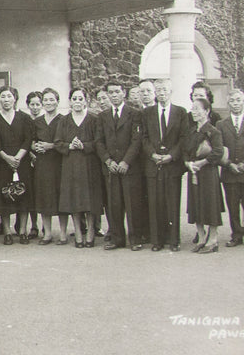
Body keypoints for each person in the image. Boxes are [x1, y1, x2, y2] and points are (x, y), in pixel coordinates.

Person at [97, 81, 145, 251]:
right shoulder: (103, 116)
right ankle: (117, 239)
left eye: (117, 92)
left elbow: (136, 140)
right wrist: (108, 161)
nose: (114, 95)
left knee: (132, 204)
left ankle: (135, 238)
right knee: (114, 204)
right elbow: (99, 141)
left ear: (123, 93)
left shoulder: (134, 114)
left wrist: (126, 161)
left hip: (129, 168)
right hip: (111, 168)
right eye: (111, 92)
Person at [143, 80, 189, 253]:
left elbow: (183, 138)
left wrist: (171, 156)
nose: (161, 93)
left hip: (172, 165)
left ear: (171, 91)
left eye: (164, 90)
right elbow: (144, 138)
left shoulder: (180, 112)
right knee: (155, 203)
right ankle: (157, 240)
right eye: (158, 90)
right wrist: (152, 154)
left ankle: (174, 240)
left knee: (172, 202)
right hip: (153, 164)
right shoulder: (148, 113)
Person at [55, 89, 102, 247]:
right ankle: (78, 233)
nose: (77, 101)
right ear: (69, 101)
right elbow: (57, 142)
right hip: (71, 164)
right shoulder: (64, 120)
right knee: (74, 199)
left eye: (80, 98)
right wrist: (70, 145)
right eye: (74, 98)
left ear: (86, 100)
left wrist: (84, 145)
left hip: (89, 164)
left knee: (89, 199)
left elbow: (99, 142)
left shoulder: (93, 119)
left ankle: (90, 232)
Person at [218, 89, 244, 247]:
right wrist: (229, 164)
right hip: (230, 173)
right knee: (233, 205)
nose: (235, 104)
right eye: (232, 101)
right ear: (228, 103)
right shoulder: (221, 124)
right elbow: (219, 148)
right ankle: (236, 234)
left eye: (238, 100)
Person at [182, 99, 224, 254]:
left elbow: (218, 152)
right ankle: (201, 237)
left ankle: (213, 239)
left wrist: (202, 163)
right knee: (196, 204)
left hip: (208, 173)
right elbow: (185, 150)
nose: (194, 111)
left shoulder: (213, 131)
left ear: (206, 111)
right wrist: (188, 164)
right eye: (192, 108)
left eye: (197, 109)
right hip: (193, 172)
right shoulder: (191, 131)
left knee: (211, 204)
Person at [0, 85, 33, 245]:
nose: (6, 99)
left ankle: (23, 230)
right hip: (3, 162)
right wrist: (6, 158)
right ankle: (8, 231)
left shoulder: (24, 118)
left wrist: (17, 157)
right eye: (3, 96)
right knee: (5, 195)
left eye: (9, 96)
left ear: (15, 98)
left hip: (21, 161)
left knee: (23, 195)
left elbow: (28, 139)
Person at [30, 88, 64, 244]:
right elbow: (31, 140)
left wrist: (51, 146)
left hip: (59, 163)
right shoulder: (37, 122)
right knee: (44, 197)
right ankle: (48, 233)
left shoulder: (64, 120)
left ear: (57, 101)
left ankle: (63, 233)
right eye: (46, 100)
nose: (48, 103)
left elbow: (66, 142)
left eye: (52, 100)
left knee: (61, 197)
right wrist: (35, 147)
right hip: (42, 164)